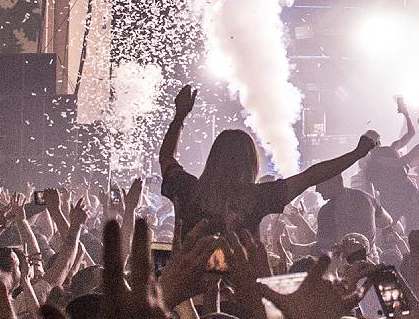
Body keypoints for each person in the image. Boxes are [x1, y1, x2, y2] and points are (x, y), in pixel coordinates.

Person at [158, 83, 377, 234]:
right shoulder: (257, 198)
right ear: (251, 164)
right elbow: (311, 177)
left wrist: (179, 117)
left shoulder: (188, 190)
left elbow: (166, 158)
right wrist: (356, 154)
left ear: (213, 159)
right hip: (237, 293)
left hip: (186, 290)